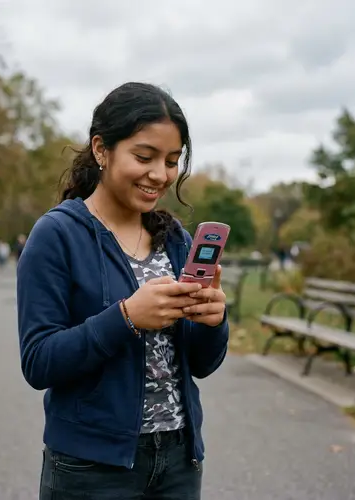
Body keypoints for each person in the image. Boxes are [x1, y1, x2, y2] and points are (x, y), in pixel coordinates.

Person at [17, 82, 229, 500]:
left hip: (178, 460)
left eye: (172, 161)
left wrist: (213, 322)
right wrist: (127, 318)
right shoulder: (56, 235)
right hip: (90, 468)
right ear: (101, 149)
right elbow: (39, 362)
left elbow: (201, 364)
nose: (160, 175)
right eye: (144, 157)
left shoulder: (176, 240)